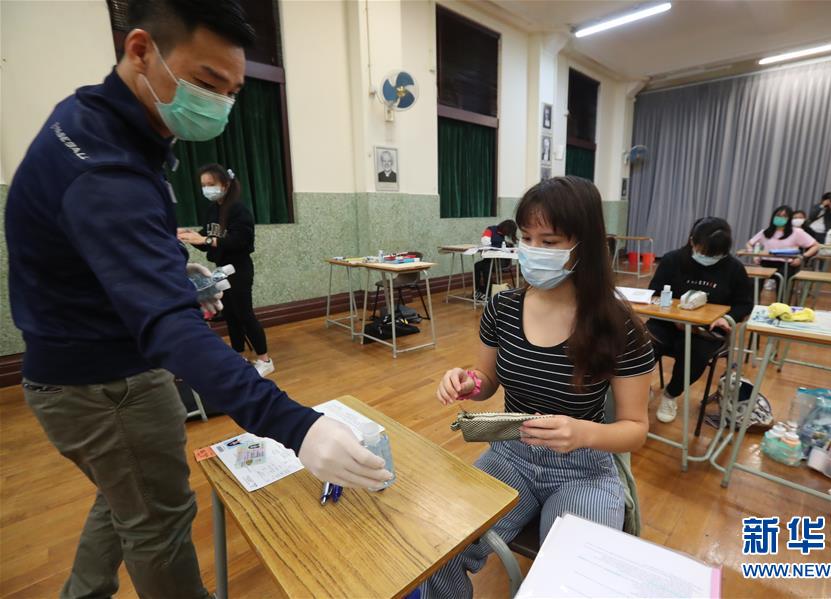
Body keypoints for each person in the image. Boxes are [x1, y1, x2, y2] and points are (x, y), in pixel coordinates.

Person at [4, 2, 391, 598]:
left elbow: (102, 257)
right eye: (208, 83)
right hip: (101, 381)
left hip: (99, 361)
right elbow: (166, 327)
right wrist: (296, 426)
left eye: (232, 91)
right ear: (140, 51)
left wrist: (173, 272)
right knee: (157, 518)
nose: (219, 104)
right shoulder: (104, 168)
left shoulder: (92, 118)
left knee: (126, 493)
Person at [421, 176, 654, 598]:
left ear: (582, 246)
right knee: (436, 548)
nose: (532, 251)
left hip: (584, 469)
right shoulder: (503, 307)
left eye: (549, 241)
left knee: (574, 583)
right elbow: (487, 380)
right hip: (511, 452)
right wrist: (466, 382)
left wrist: (582, 432)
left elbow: (635, 428)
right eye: (526, 238)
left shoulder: (618, 326)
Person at [648, 218, 753, 423]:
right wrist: (671, 314)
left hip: (706, 331)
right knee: (641, 343)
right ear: (692, 241)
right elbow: (654, 293)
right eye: (703, 251)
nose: (707, 257)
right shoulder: (672, 260)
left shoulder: (734, 269)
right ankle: (642, 389)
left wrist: (727, 318)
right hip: (667, 324)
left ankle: (671, 394)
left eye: (715, 254)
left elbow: (744, 304)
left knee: (696, 355)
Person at [177, 164, 273, 377]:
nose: (207, 189)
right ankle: (238, 355)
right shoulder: (212, 210)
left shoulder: (238, 209)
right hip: (221, 268)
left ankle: (265, 360)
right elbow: (206, 240)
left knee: (245, 314)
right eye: (203, 185)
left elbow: (242, 242)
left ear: (226, 184)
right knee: (230, 314)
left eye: (211, 185)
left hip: (239, 268)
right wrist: (189, 235)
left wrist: (206, 239)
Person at [746, 205, 819, 292]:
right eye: (778, 215)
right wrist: (754, 255)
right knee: (753, 283)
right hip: (765, 262)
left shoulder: (797, 232)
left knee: (783, 284)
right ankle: (753, 304)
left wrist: (802, 257)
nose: (780, 218)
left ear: (789, 219)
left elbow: (816, 245)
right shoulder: (765, 232)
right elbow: (749, 244)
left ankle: (782, 303)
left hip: (786, 264)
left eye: (784, 216)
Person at [474, 219, 517, 300]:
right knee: (478, 266)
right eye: (507, 232)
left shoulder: (503, 236)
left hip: (500, 261)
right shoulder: (490, 230)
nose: (507, 234)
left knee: (486, 267)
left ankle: (488, 292)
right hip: (490, 259)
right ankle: (478, 290)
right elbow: (485, 242)